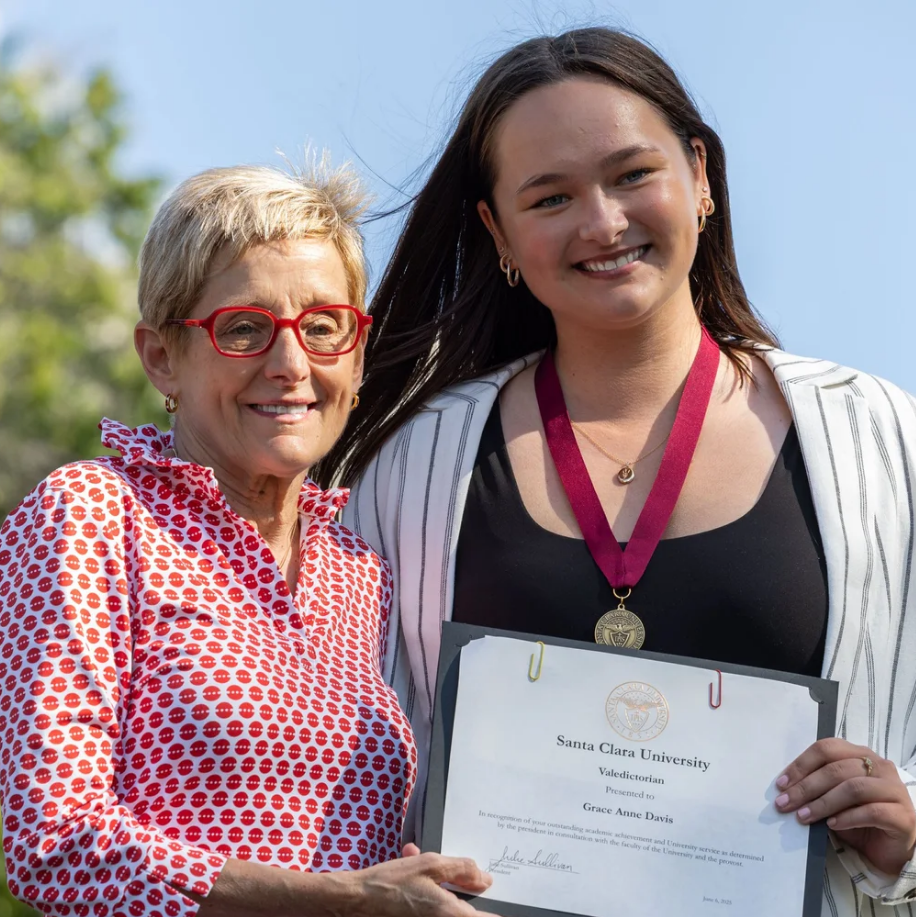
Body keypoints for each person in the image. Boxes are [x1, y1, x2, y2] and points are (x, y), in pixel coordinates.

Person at [324, 28, 916, 914]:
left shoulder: (880, 437)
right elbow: (353, 758)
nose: (603, 223)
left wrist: (906, 823)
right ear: (498, 232)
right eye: (551, 196)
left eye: (633, 174)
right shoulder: (414, 463)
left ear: (701, 179)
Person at [0, 164, 491, 917]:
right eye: (242, 329)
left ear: (357, 358)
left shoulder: (364, 569)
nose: (291, 364)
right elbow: (54, 843)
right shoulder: (93, 516)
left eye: (324, 327)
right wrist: (343, 900)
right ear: (162, 356)